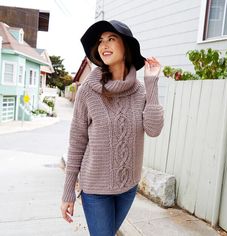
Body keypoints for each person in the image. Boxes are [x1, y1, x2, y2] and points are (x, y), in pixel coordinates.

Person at [61, 20, 164, 236]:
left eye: (111, 39)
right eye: (100, 41)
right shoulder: (88, 90)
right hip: (95, 189)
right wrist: (68, 191)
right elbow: (77, 141)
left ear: (125, 46)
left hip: (128, 187)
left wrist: (152, 83)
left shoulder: (140, 91)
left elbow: (154, 130)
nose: (104, 45)